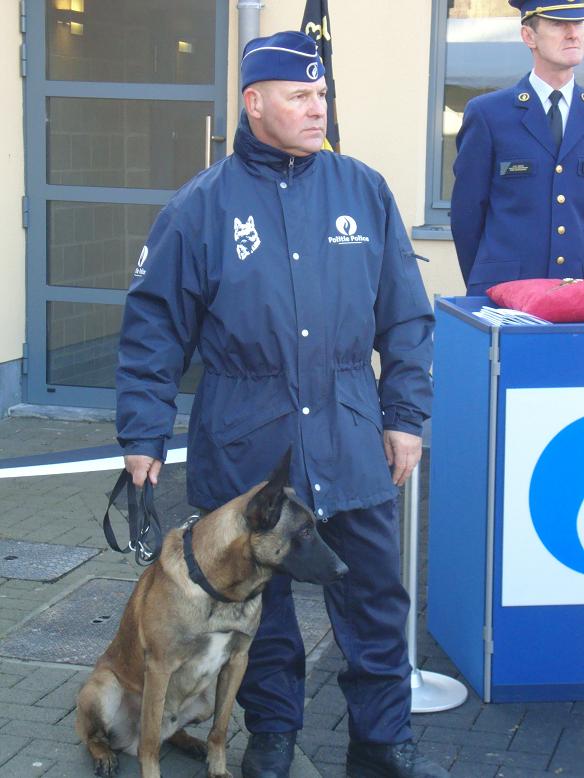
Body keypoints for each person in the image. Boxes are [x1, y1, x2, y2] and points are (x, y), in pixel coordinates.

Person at [116, 31, 444, 778]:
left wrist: (405, 417)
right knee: (258, 616)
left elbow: (405, 316)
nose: (315, 108)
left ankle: (382, 743)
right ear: (253, 102)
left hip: (348, 434)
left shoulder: (363, 190)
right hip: (246, 445)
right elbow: (154, 326)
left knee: (375, 601)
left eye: (321, 94)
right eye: (299, 96)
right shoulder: (200, 207)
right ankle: (271, 735)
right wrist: (141, 431)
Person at [450, 0, 584, 296]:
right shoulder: (489, 114)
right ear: (528, 36)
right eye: (559, 24)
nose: (573, 33)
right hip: (508, 296)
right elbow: (467, 214)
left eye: (578, 23)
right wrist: (487, 284)